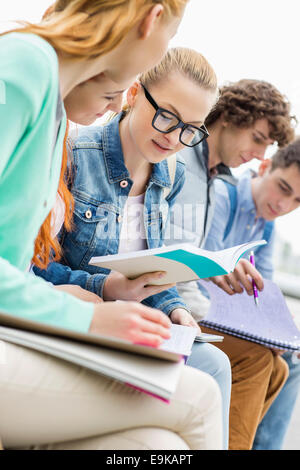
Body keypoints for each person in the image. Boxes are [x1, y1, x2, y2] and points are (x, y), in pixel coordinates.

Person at [0, 0, 225, 451]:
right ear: (152, 20)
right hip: (26, 327)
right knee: (201, 395)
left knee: (157, 444)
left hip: (27, 323)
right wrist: (89, 315)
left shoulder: (55, 111)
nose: (117, 103)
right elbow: (27, 270)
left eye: (191, 129)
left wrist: (163, 306)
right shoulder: (27, 67)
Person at [164, 78, 295, 450]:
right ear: (228, 119)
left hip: (190, 305)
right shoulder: (208, 181)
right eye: (256, 138)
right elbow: (179, 252)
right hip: (180, 306)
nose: (255, 153)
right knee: (258, 359)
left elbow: (262, 288)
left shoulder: (212, 177)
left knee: (283, 364)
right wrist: (215, 264)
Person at [204, 137, 300, 450]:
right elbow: (200, 271)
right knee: (261, 358)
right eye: (283, 188)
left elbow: (265, 295)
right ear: (265, 166)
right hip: (196, 309)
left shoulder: (267, 226)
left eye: (297, 201)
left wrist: (279, 332)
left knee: (289, 362)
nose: (284, 205)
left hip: (229, 321)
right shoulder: (222, 195)